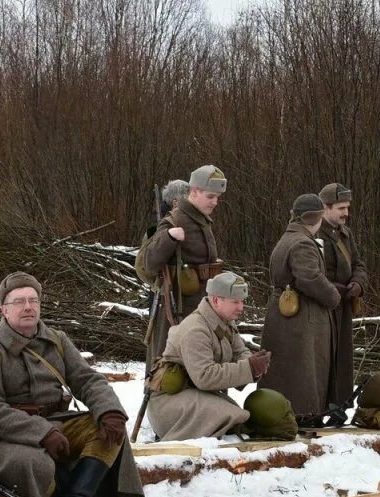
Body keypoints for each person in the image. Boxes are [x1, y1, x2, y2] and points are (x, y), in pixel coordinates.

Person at [0, 272, 144, 497]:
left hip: (59, 420)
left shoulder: (57, 339)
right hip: (13, 433)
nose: (28, 306)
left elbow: (87, 379)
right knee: (33, 463)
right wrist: (40, 432)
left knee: (108, 430)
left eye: (33, 300)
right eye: (19, 301)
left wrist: (109, 410)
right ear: (4, 310)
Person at [147, 272, 272, 440]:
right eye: (235, 302)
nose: (241, 308)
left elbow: (239, 351)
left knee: (240, 415)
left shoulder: (225, 321)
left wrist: (253, 365)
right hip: (170, 403)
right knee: (233, 416)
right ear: (216, 300)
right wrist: (248, 368)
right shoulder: (196, 330)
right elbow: (205, 377)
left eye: (242, 301)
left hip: (197, 395)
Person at [259, 194, 341, 423]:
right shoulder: (303, 242)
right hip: (301, 318)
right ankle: (303, 415)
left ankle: (280, 413)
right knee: (304, 370)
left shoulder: (287, 238)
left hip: (285, 314)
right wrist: (333, 296)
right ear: (315, 218)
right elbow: (309, 278)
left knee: (288, 369)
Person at [136, 165, 227, 365]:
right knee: (169, 374)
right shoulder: (175, 220)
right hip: (179, 311)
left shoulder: (201, 220)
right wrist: (169, 237)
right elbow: (149, 263)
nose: (215, 202)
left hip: (202, 308)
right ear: (195, 192)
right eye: (211, 196)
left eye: (217, 197)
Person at [318, 182, 368, 415]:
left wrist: (358, 283)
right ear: (325, 208)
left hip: (344, 306)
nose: (346, 213)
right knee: (323, 359)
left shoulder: (345, 234)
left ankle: (339, 406)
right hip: (323, 307)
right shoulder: (316, 233)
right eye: (340, 208)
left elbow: (359, 264)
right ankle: (321, 406)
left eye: (346, 208)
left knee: (342, 361)